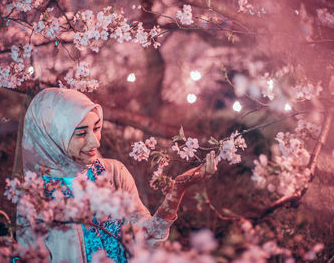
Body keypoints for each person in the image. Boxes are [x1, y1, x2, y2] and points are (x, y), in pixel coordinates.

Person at [18, 87, 216, 263]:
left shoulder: (113, 174)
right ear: (51, 137)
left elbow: (147, 242)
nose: (95, 142)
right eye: (80, 134)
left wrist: (177, 190)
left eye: (97, 128)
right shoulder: (35, 199)